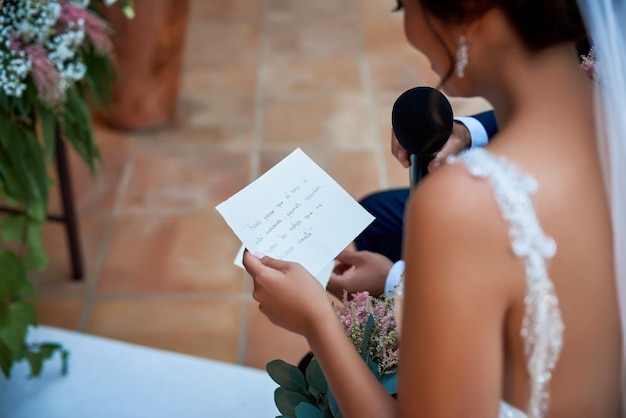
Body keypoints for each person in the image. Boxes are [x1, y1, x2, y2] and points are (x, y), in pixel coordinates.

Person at [243, 0, 626, 417]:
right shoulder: (611, 113)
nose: (408, 26)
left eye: (403, 6)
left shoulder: (462, 203)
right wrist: (392, 278)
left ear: (470, 14)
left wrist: (315, 322)